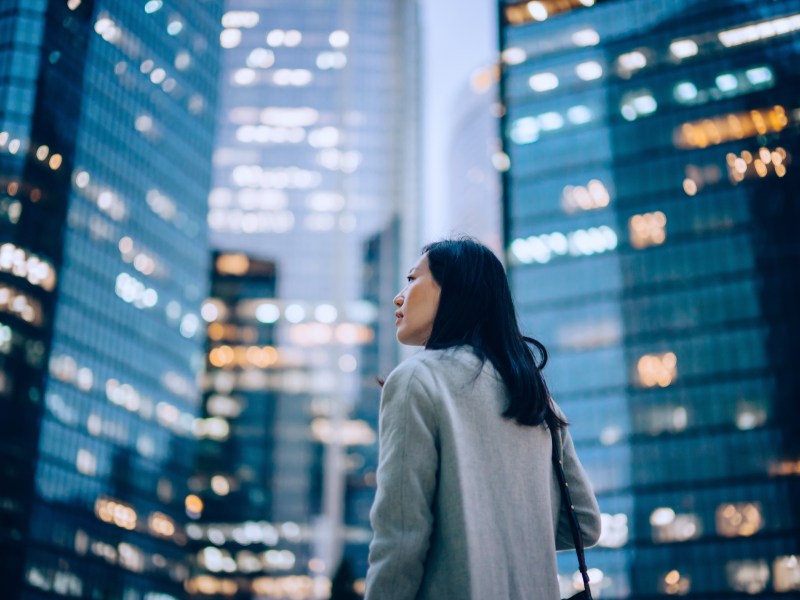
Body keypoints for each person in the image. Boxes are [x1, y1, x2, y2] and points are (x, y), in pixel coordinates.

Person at [364, 238, 601, 600]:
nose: (399, 297)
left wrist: (470, 534)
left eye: (412, 279)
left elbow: (400, 536)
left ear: (455, 289)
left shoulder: (418, 378)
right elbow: (583, 525)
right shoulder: (533, 395)